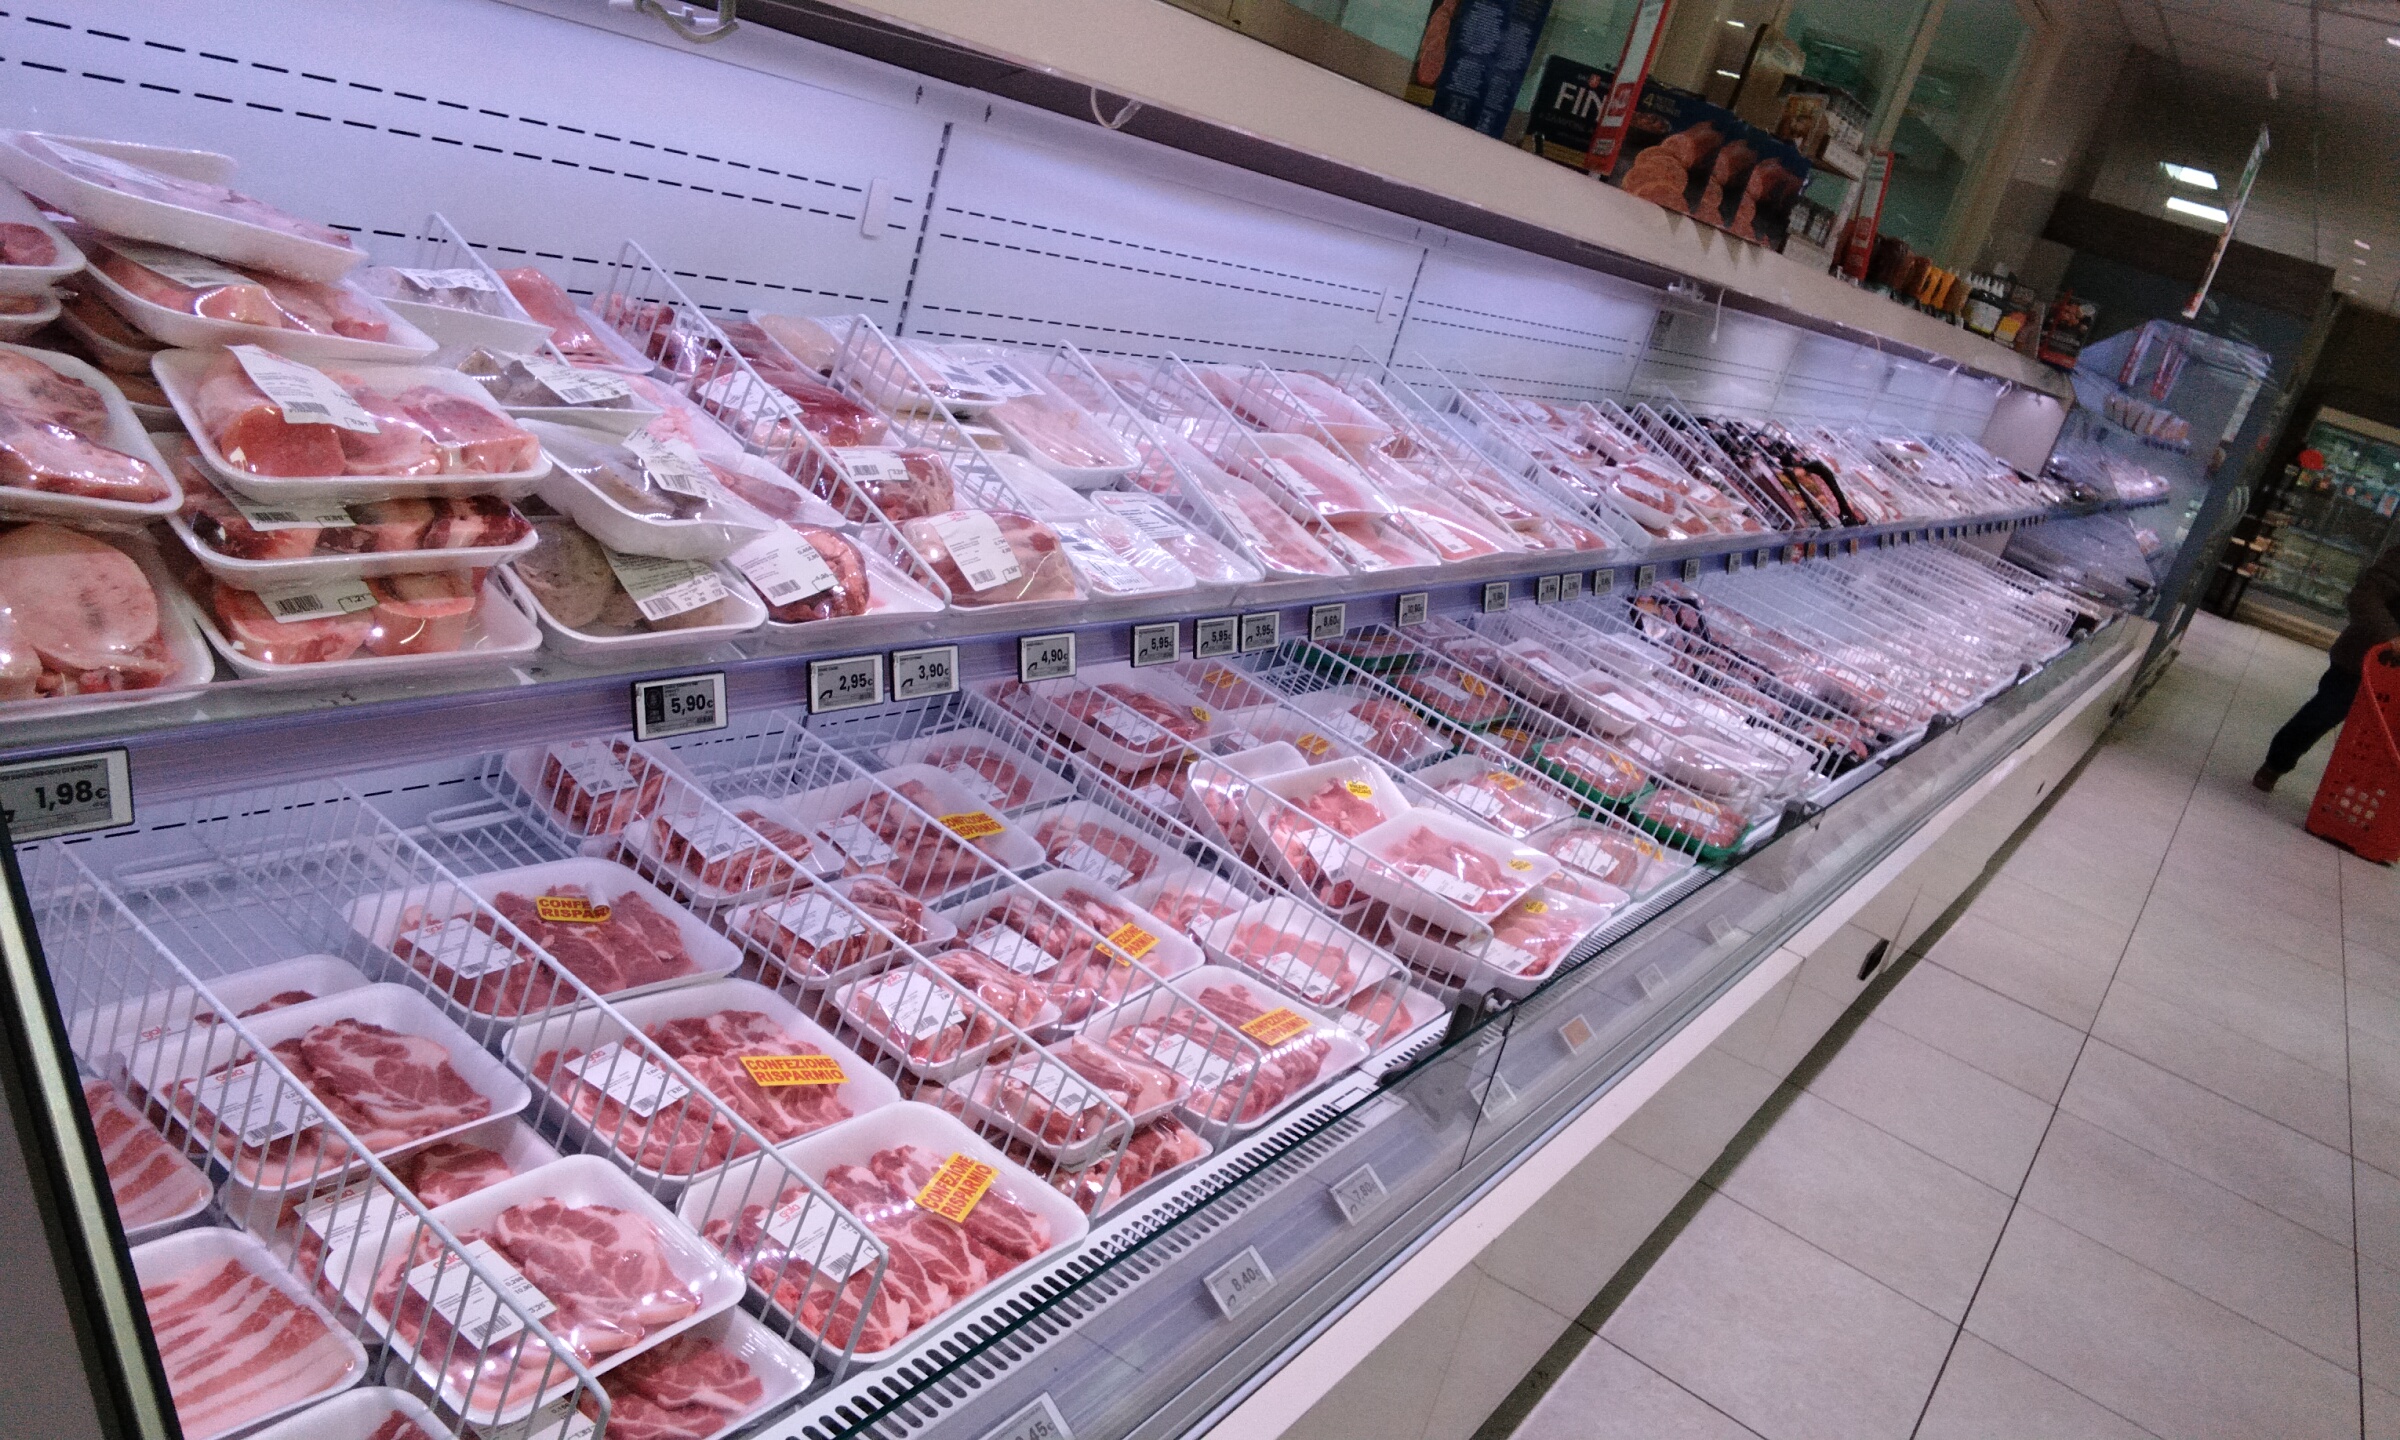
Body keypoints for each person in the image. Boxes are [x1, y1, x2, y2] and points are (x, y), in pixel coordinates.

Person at [2255, 543, 2400, 790]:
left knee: (2383, 741)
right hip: (2364, 659)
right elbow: (2364, 597)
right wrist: (2391, 636)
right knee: (2322, 714)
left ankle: (2361, 795)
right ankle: (2276, 763)